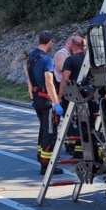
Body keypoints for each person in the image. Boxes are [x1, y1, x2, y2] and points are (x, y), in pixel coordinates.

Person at [26, 31, 63, 176]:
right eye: (53, 42)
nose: (53, 44)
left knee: (43, 128)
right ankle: (47, 165)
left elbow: (29, 79)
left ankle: (41, 157)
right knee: (50, 131)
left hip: (36, 98)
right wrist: (56, 103)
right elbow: (49, 82)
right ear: (50, 42)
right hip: (46, 100)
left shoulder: (31, 56)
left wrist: (31, 98)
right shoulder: (47, 60)